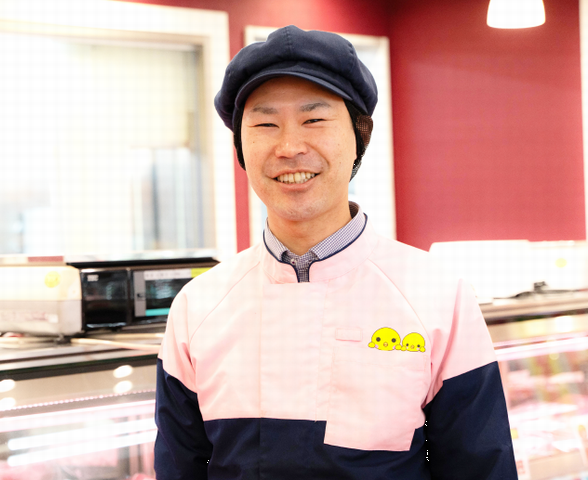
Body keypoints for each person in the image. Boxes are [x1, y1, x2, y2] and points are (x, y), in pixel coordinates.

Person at [154, 25, 517, 479]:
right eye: (265, 124)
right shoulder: (198, 306)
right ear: (241, 148)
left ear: (359, 136)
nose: (289, 148)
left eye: (314, 120)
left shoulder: (438, 296)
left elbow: (482, 468)